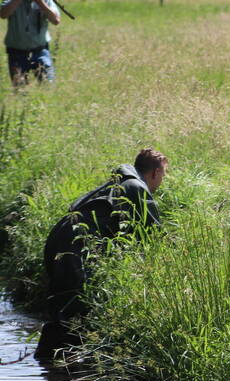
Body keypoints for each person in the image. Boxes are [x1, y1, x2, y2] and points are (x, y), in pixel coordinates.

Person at [36, 148, 167, 361]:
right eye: (163, 174)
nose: (162, 179)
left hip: (59, 241)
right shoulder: (136, 187)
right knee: (76, 307)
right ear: (154, 173)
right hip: (75, 247)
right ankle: (59, 368)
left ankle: (49, 366)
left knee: (64, 305)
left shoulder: (116, 185)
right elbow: (153, 236)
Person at [1, 0, 60, 87]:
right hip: (16, 51)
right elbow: (3, 14)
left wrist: (41, 3)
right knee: (20, 89)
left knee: (48, 85)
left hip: (40, 50)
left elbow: (56, 20)